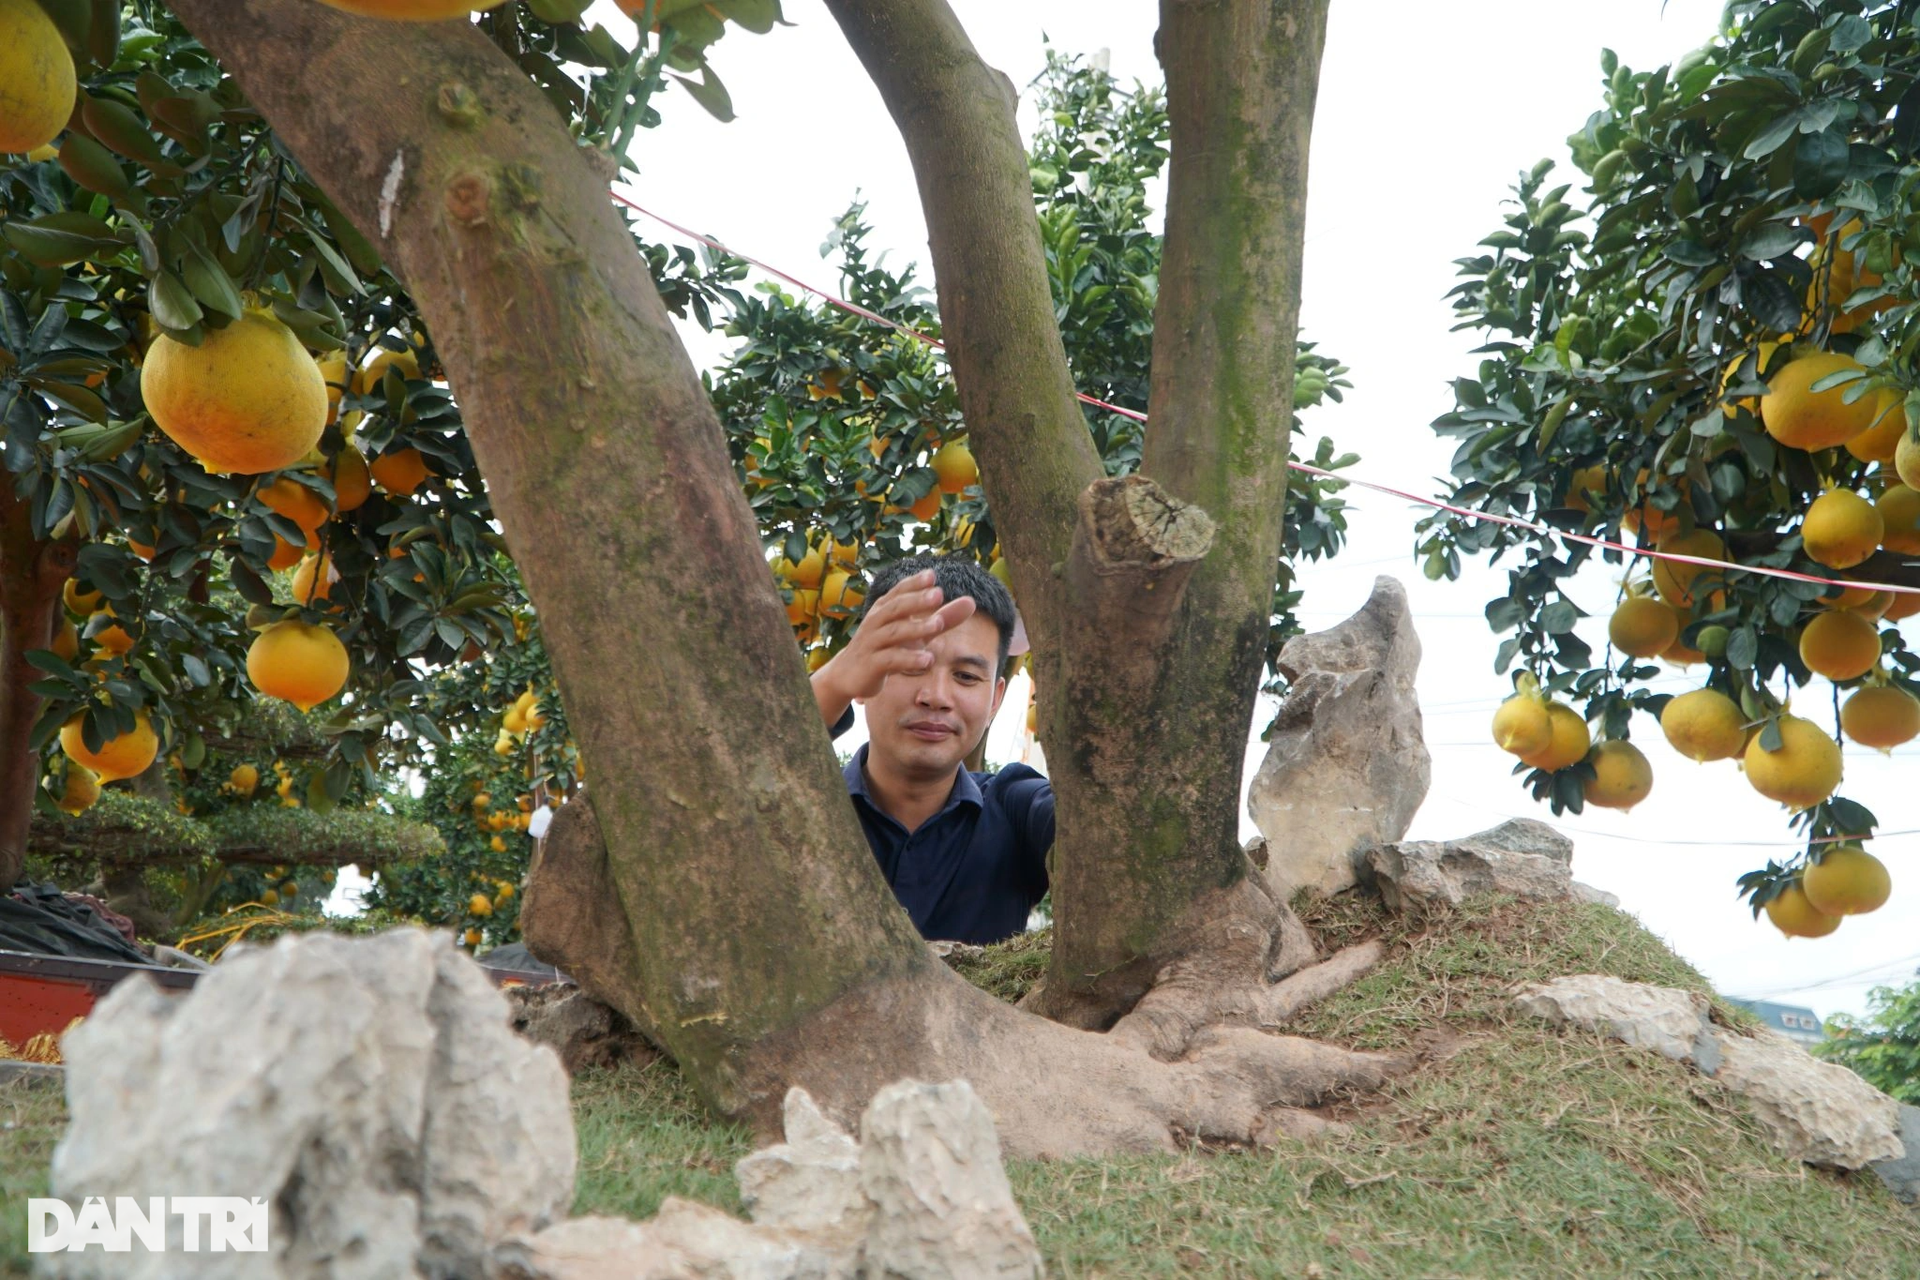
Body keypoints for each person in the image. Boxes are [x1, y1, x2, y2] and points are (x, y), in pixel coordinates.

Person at [808, 555, 1053, 945]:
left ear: (994, 701)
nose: (936, 696)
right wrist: (831, 686)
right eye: (911, 665)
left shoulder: (1014, 806)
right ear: (863, 674)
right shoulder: (800, 806)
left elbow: (1110, 827)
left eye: (966, 676)